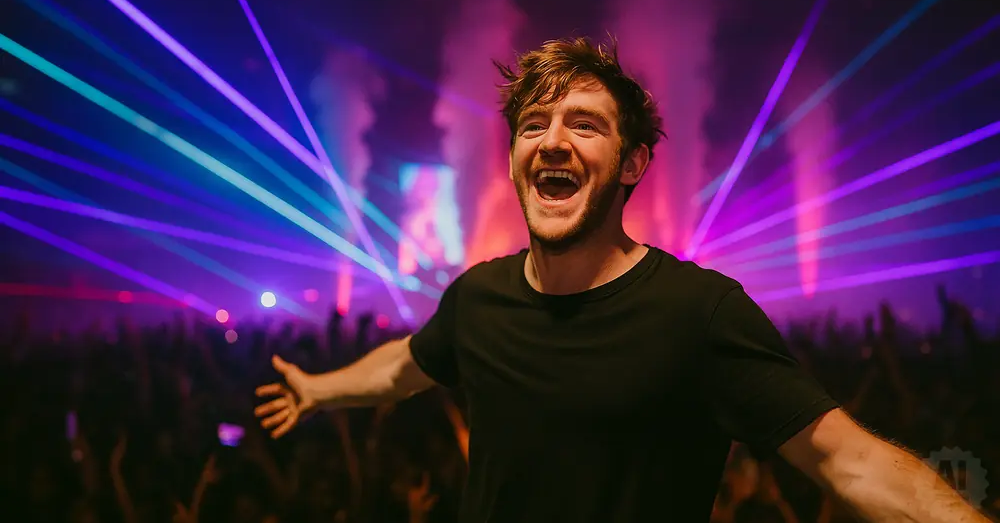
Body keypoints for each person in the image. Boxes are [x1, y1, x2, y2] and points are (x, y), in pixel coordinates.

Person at [254, 38, 989, 522]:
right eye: (534, 123)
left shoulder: (698, 313)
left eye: (584, 123)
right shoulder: (478, 299)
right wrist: (320, 390)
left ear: (632, 164)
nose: (553, 140)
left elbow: (848, 461)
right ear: (513, 157)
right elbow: (405, 367)